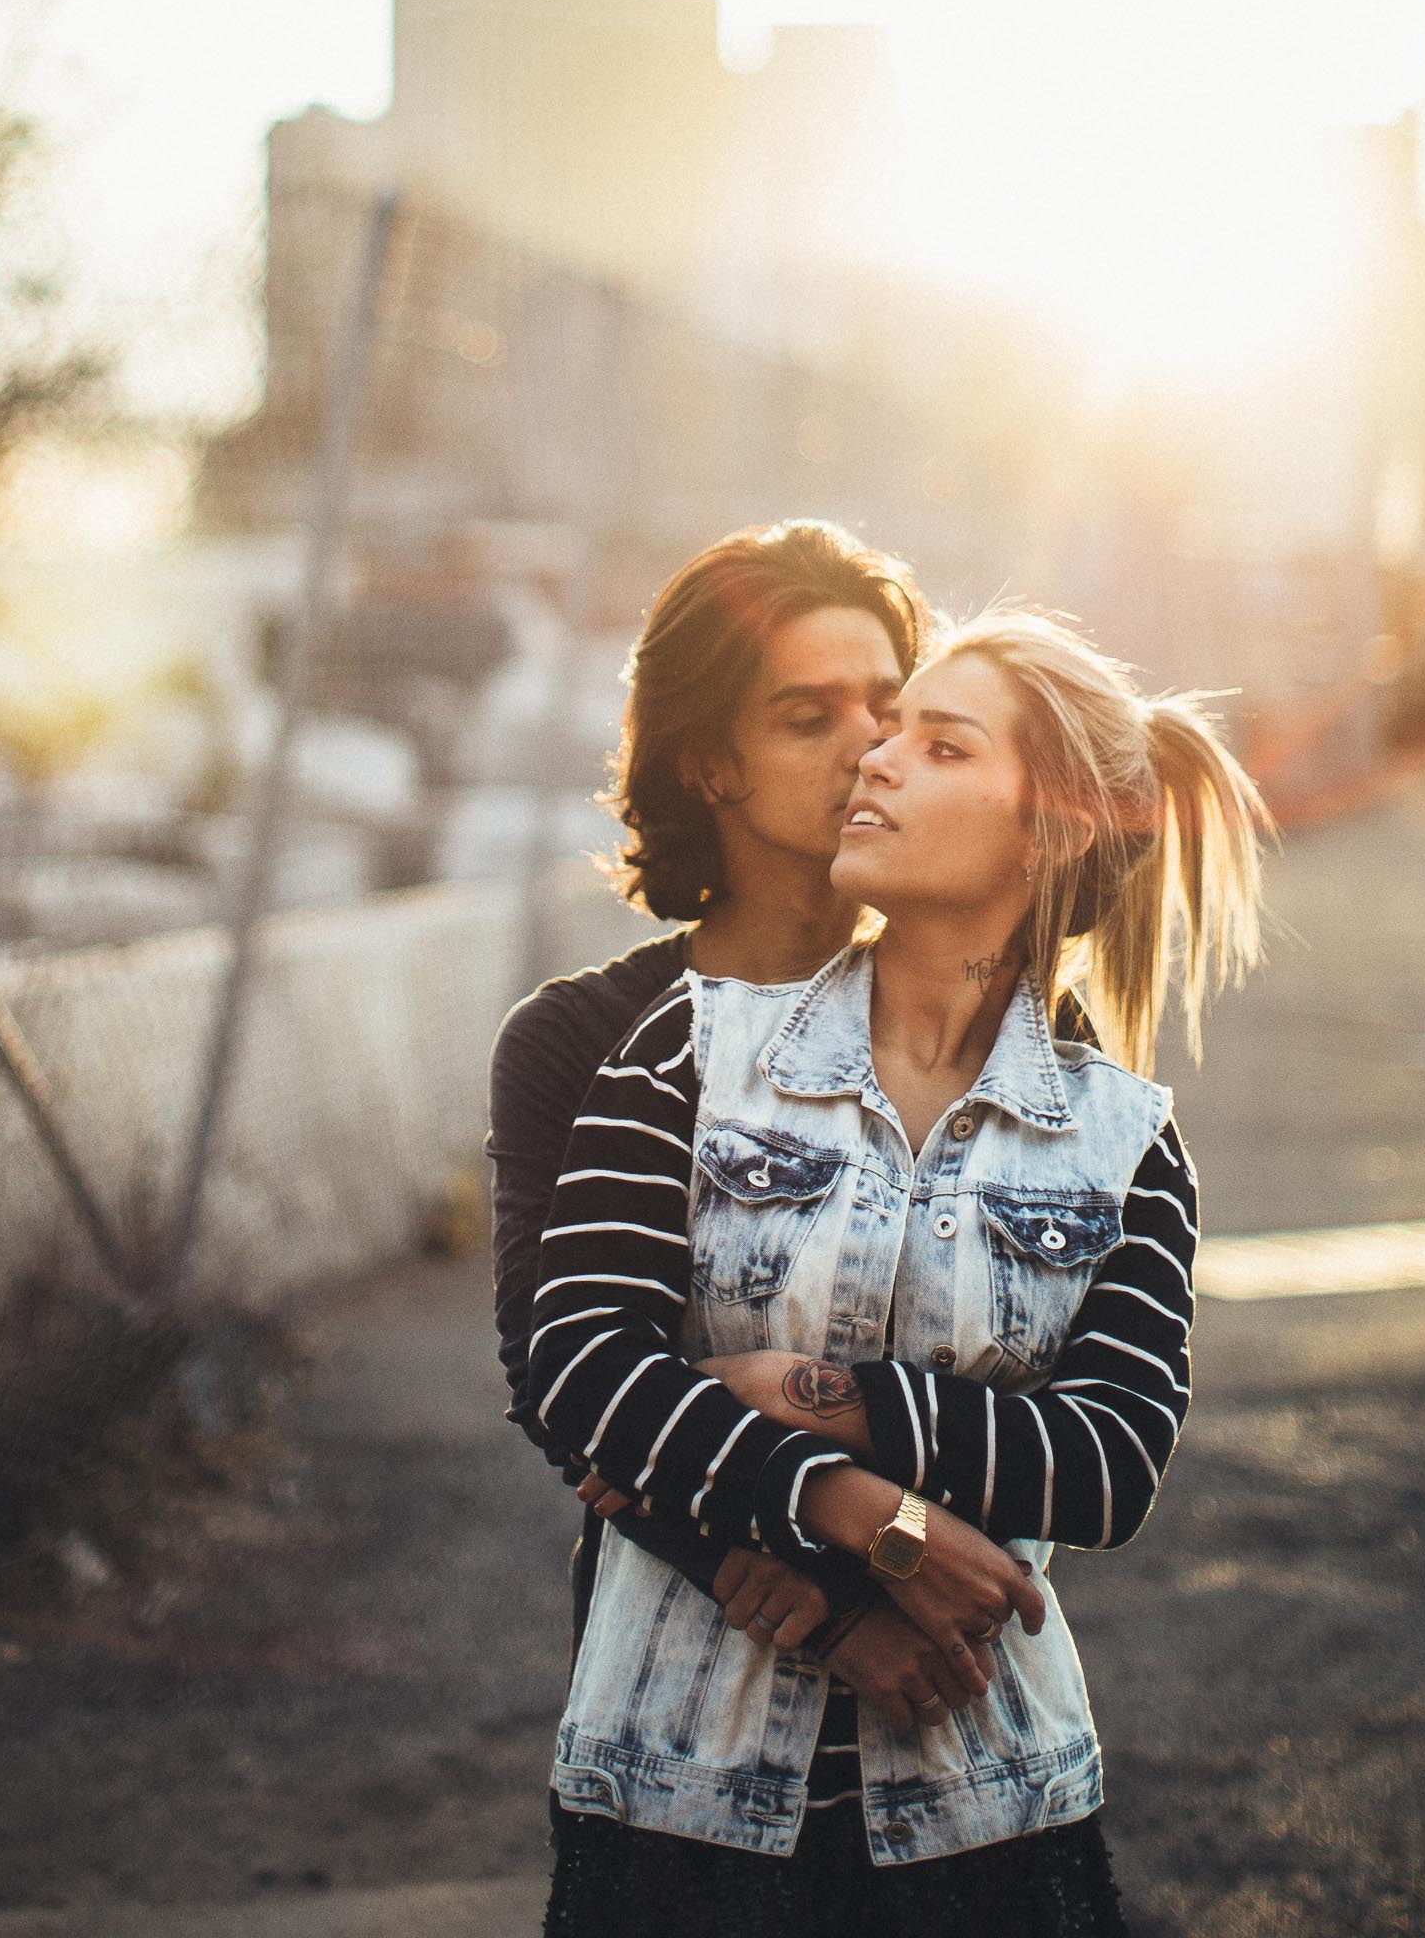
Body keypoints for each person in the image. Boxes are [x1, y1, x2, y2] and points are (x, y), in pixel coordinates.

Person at [527, 605, 1268, 1936]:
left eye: (940, 745)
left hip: (985, 1815)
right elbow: (585, 1369)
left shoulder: (1125, 1146)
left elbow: (1111, 1462)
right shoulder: (687, 1052)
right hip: (672, 1807)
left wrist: (824, 1392)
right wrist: (860, 1511)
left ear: (1053, 828)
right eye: (887, 734)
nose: (875, 758)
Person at [489, 520, 1033, 1735]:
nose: (870, 750)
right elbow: (566, 1387)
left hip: (977, 1707)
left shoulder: (1001, 1028)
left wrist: (802, 1417)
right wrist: (829, 1587)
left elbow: (1059, 1391)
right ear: (708, 767)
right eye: (809, 718)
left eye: (890, 709)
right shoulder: (583, 1042)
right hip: (683, 1719)